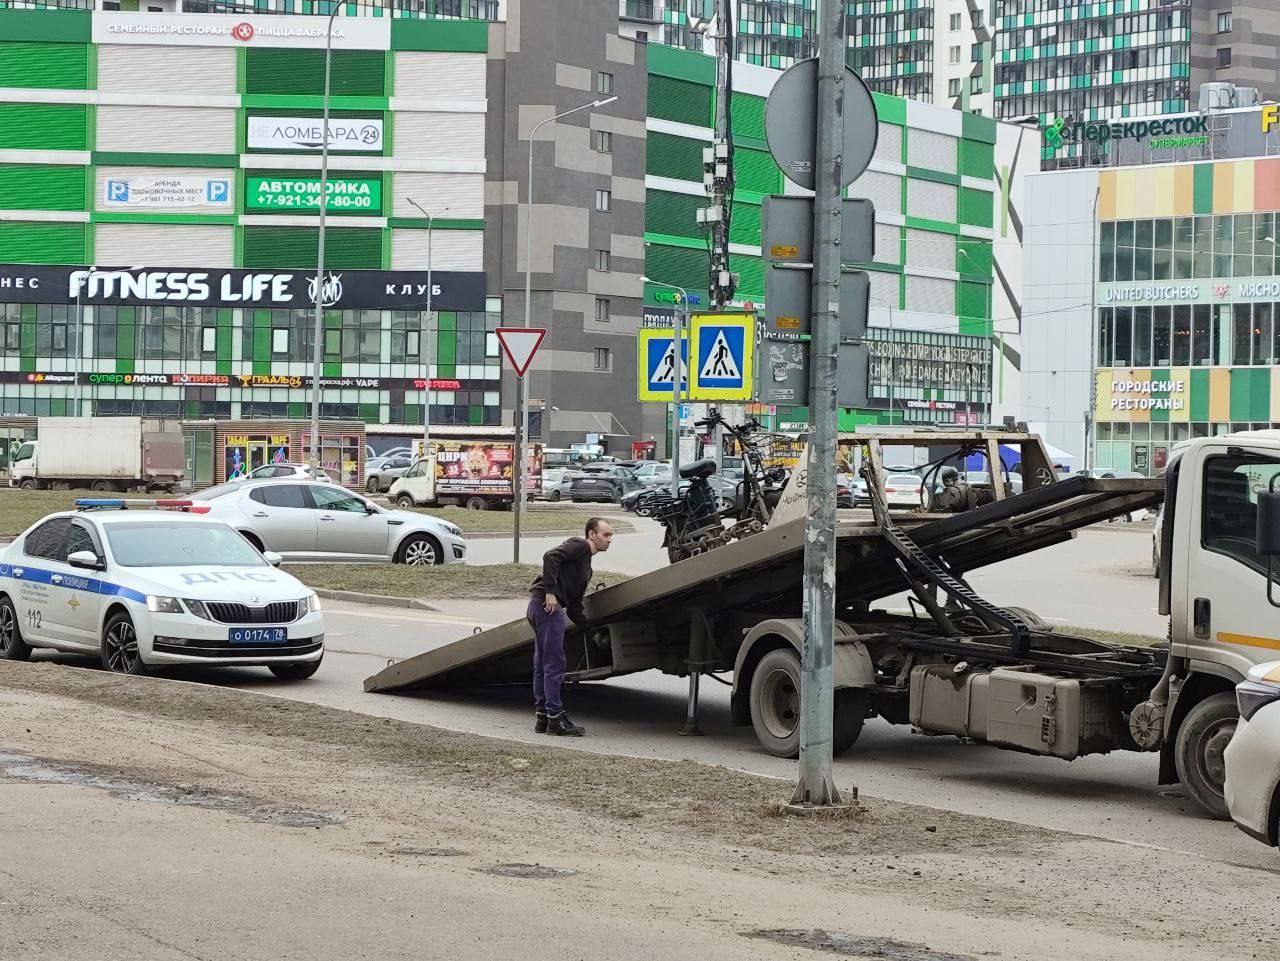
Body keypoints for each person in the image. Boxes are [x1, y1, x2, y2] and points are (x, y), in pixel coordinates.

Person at [528, 517, 614, 736]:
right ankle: (555, 719)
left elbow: (575, 606)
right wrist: (550, 592)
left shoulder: (587, 569)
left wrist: (591, 628)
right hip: (547, 607)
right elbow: (551, 556)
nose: (610, 539)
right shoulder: (581, 545)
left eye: (611, 535)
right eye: (606, 534)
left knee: (542, 664)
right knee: (554, 664)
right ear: (592, 534)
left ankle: (544, 719)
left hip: (539, 607)